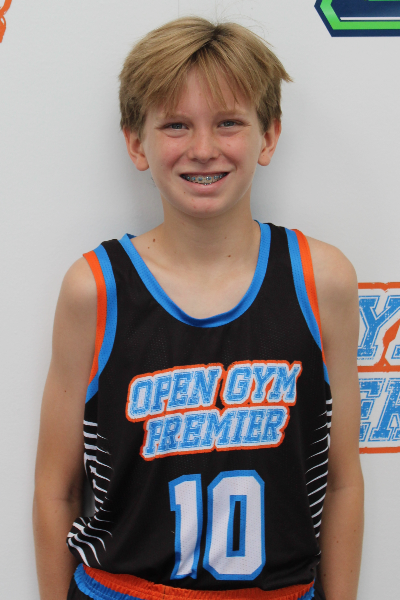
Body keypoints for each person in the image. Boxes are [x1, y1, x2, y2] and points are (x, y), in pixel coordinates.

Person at [33, 16, 364, 600]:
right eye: (176, 125)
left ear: (269, 137)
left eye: (229, 122)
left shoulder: (322, 280)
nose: (204, 149)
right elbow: (56, 490)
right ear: (137, 142)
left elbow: (341, 483)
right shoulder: (96, 289)